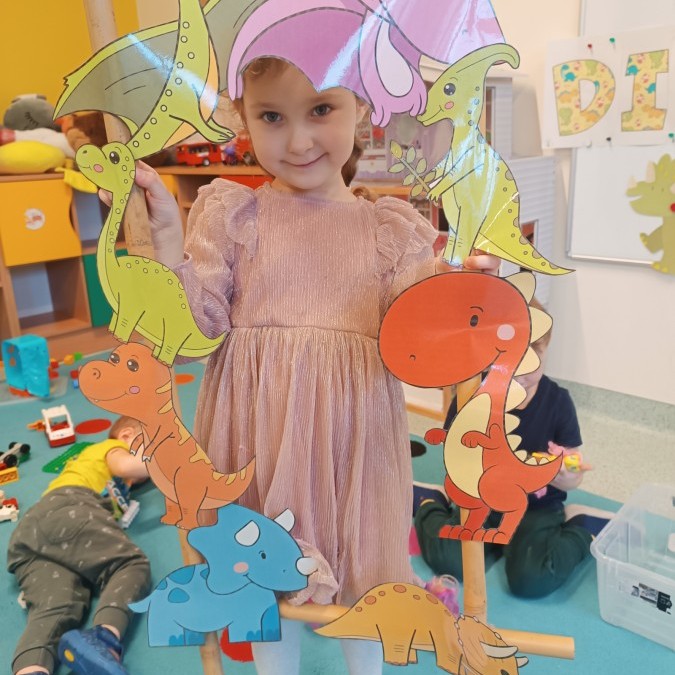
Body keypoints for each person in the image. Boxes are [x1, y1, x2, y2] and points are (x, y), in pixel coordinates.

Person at [124, 57, 499, 675]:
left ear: (361, 108)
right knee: (263, 574)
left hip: (356, 441)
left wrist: (466, 294)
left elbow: (422, 345)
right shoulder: (233, 216)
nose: (298, 141)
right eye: (272, 116)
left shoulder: (392, 231)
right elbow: (192, 333)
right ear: (243, 118)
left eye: (321, 109)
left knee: (366, 575)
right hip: (256, 435)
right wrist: (167, 242)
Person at [413, 299, 614, 599]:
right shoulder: (471, 396)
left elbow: (573, 468)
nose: (523, 368)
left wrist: (565, 475)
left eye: (535, 354)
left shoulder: (558, 402)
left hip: (536, 507)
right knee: (451, 561)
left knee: (531, 581)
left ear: (546, 350)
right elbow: (455, 457)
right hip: (482, 498)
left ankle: (581, 526)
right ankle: (430, 502)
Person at [8, 416, 151, 675]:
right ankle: (103, 639)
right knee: (129, 564)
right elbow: (126, 466)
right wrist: (166, 464)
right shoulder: (111, 448)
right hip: (72, 507)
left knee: (57, 605)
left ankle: (30, 669)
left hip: (31, 533)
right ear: (127, 435)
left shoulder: (91, 467)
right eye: (152, 448)